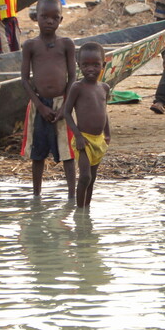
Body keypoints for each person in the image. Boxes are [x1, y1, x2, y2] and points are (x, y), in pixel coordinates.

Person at [20, 0, 77, 199]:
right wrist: (41, 106)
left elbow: (73, 77)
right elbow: (25, 80)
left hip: (63, 102)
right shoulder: (30, 46)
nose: (49, 21)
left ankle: (72, 196)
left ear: (61, 20)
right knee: (38, 153)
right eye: (45, 17)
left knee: (67, 152)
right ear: (36, 18)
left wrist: (66, 107)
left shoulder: (66, 45)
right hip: (39, 106)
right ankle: (36, 195)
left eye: (55, 17)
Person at [63, 42, 111, 208]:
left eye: (95, 65)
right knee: (85, 177)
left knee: (93, 176)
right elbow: (66, 112)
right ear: (79, 66)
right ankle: (79, 211)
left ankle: (86, 210)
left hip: (99, 140)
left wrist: (108, 133)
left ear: (103, 65)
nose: (90, 69)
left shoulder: (104, 88)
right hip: (83, 140)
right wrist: (77, 135)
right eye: (86, 65)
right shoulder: (78, 87)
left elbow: (104, 112)